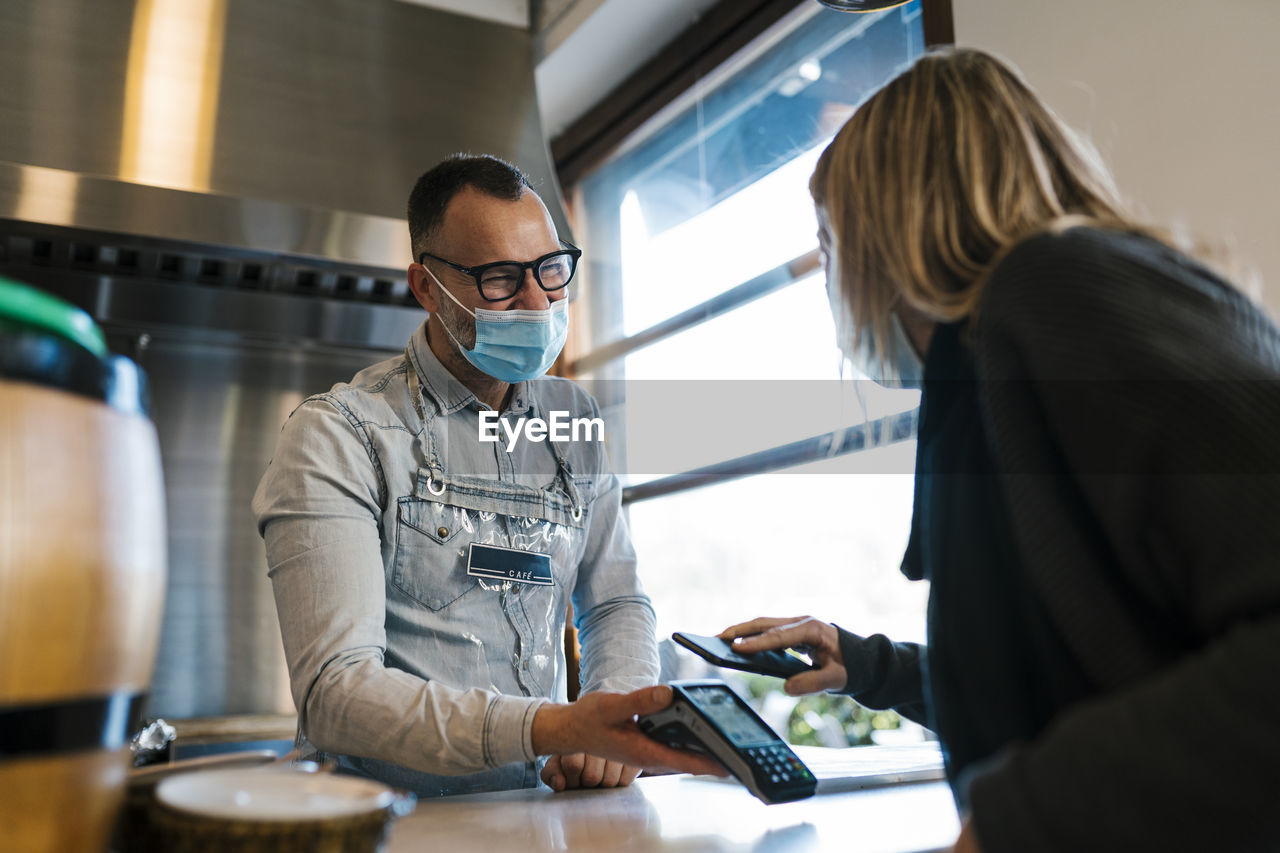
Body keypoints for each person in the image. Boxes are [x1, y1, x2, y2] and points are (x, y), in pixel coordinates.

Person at [720, 48, 1280, 852]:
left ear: (893, 220)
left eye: (830, 237)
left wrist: (1020, 818)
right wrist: (870, 665)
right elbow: (1066, 681)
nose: (828, 273)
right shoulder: (983, 364)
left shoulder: (1057, 289)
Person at [253, 154, 721, 797]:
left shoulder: (573, 422)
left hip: (543, 819)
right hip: (392, 828)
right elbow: (337, 693)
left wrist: (614, 717)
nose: (537, 303)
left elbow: (614, 600)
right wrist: (552, 728)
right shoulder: (339, 435)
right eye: (500, 279)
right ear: (426, 288)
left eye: (551, 271)